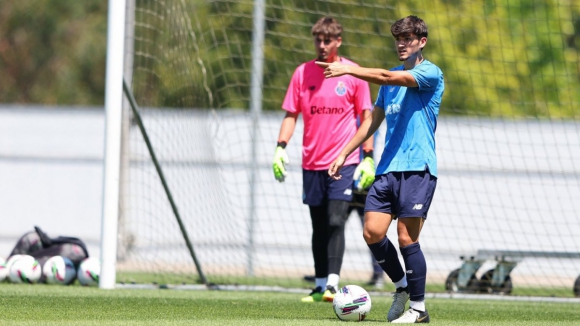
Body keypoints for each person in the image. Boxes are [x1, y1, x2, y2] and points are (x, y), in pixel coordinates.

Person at [316, 15, 444, 323]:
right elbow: (372, 120)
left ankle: (419, 309)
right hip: (388, 169)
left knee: (405, 238)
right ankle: (401, 287)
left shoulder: (430, 73)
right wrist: (344, 152)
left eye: (408, 39)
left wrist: (349, 69)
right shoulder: (390, 80)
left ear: (421, 42)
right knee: (372, 232)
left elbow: (388, 77)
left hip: (418, 168)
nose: (401, 44)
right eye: (398, 39)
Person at [272, 16, 375, 303]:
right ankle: (319, 286)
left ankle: (332, 284)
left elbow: (367, 117)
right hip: (311, 163)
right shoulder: (302, 73)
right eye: (318, 39)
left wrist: (368, 157)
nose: (321, 45)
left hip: (344, 162)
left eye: (327, 40)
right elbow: (291, 115)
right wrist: (280, 147)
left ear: (338, 41)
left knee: (335, 220)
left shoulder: (353, 73)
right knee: (318, 224)